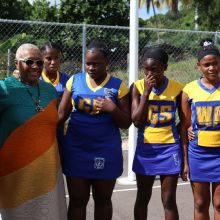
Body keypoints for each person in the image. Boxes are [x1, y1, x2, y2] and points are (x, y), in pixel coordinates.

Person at [58, 40, 131, 220]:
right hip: (76, 149)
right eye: (88, 63)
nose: (91, 67)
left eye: (96, 63)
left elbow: (126, 122)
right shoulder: (75, 81)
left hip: (105, 150)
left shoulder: (117, 86)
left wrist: (112, 108)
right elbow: (60, 115)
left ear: (107, 62)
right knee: (77, 200)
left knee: (103, 199)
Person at [0, 43, 67, 220]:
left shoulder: (49, 91)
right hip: (16, 174)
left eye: (39, 62)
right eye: (29, 62)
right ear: (16, 63)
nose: (35, 66)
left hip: (48, 172)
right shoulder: (4, 90)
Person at [131, 47, 183, 220]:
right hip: (146, 148)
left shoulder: (177, 89)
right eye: (145, 69)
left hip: (170, 148)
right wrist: (147, 92)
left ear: (165, 67)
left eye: (154, 69)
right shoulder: (138, 87)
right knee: (142, 198)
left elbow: (184, 121)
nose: (149, 73)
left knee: (168, 199)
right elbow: (137, 121)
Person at [180, 39, 220, 220]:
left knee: (219, 203)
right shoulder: (189, 90)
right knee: (200, 203)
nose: (211, 68)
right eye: (207, 64)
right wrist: (185, 161)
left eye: (215, 63)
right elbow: (184, 125)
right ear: (199, 66)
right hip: (199, 154)